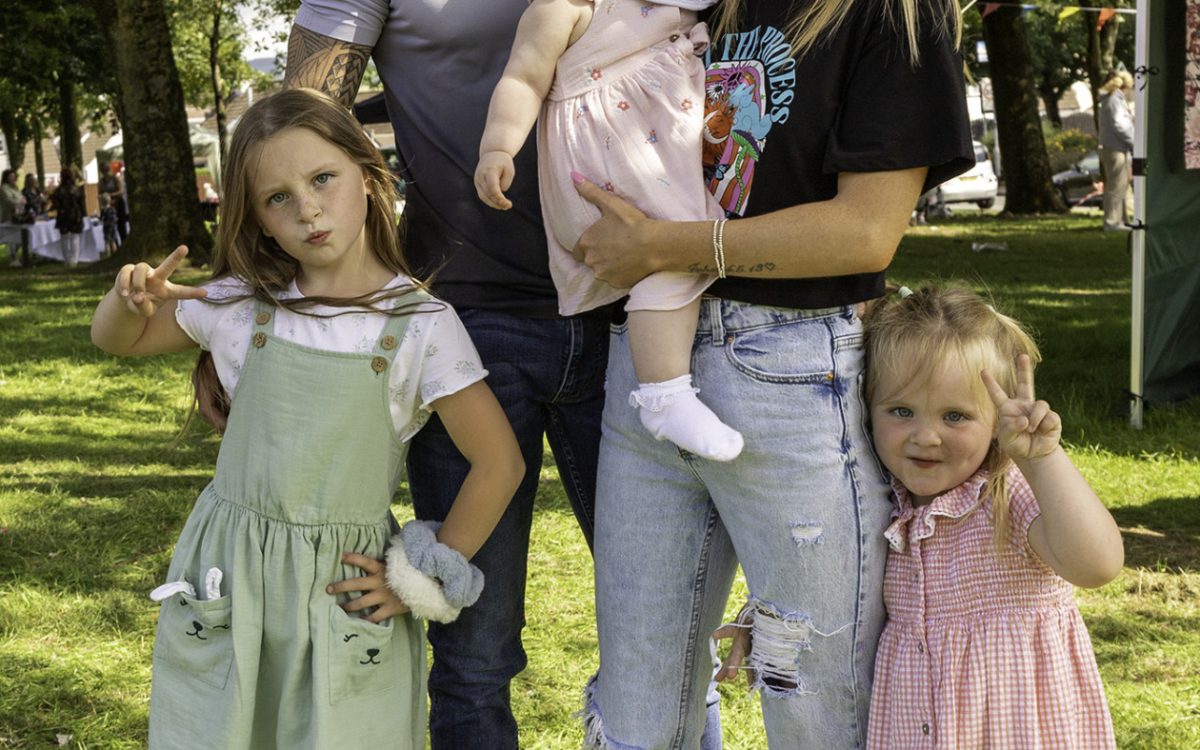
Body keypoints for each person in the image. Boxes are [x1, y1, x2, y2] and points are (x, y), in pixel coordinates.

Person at [576, 0, 974, 747]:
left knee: (816, 702)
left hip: (788, 365)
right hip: (649, 360)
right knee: (636, 708)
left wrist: (664, 247)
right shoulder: (695, 3)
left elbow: (865, 231)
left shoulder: (891, 14)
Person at [89, 88, 524, 749]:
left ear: (369, 176)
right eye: (278, 197)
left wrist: (423, 574)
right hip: (231, 572)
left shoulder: (419, 326)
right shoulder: (242, 305)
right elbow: (117, 341)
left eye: (323, 178)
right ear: (259, 220)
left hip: (341, 587)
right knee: (220, 727)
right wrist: (129, 300)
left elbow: (500, 463)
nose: (308, 209)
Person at [284, 5, 619, 747]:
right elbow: (295, 124)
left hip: (638, 315)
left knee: (666, 632)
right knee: (472, 648)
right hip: (464, 325)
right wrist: (255, 307)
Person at [476, 0, 742, 462]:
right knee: (675, 252)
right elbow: (522, 78)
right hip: (606, 170)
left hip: (647, 160)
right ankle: (664, 394)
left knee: (675, 252)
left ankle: (667, 389)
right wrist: (498, 148)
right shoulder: (564, 6)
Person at [859, 284, 1122, 748]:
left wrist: (1042, 460)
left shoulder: (1005, 492)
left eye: (955, 417)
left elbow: (1097, 564)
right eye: (901, 411)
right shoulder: (878, 501)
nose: (926, 436)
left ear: (997, 425)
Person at [1098, 69, 1135, 232]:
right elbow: (1120, 124)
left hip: (1113, 148)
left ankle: (1121, 220)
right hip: (1115, 149)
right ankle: (1112, 222)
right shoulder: (1115, 100)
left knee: (1121, 184)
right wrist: (1134, 141)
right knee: (1116, 186)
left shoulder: (1110, 99)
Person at [51, 167, 85, 267]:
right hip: (75, 215)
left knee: (64, 238)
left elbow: (55, 204)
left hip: (63, 215)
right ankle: (74, 259)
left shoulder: (58, 191)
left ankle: (66, 259)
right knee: (75, 237)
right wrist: (83, 214)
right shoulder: (77, 190)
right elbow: (81, 204)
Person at [97, 160, 129, 243]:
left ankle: (124, 242)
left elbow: (121, 191)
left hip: (118, 204)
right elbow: (100, 192)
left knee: (121, 227)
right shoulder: (101, 182)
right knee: (111, 228)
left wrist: (110, 195)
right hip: (108, 206)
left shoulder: (115, 178)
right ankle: (115, 245)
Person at [1, 169, 27, 266]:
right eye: (10, 176)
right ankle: (13, 258)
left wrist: (21, 201)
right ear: (6, 178)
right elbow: (8, 201)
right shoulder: (4, 188)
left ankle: (16, 256)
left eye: (14, 176)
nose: (13, 178)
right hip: (9, 217)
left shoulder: (15, 188)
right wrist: (20, 202)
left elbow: (23, 198)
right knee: (11, 238)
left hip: (18, 216)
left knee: (20, 237)